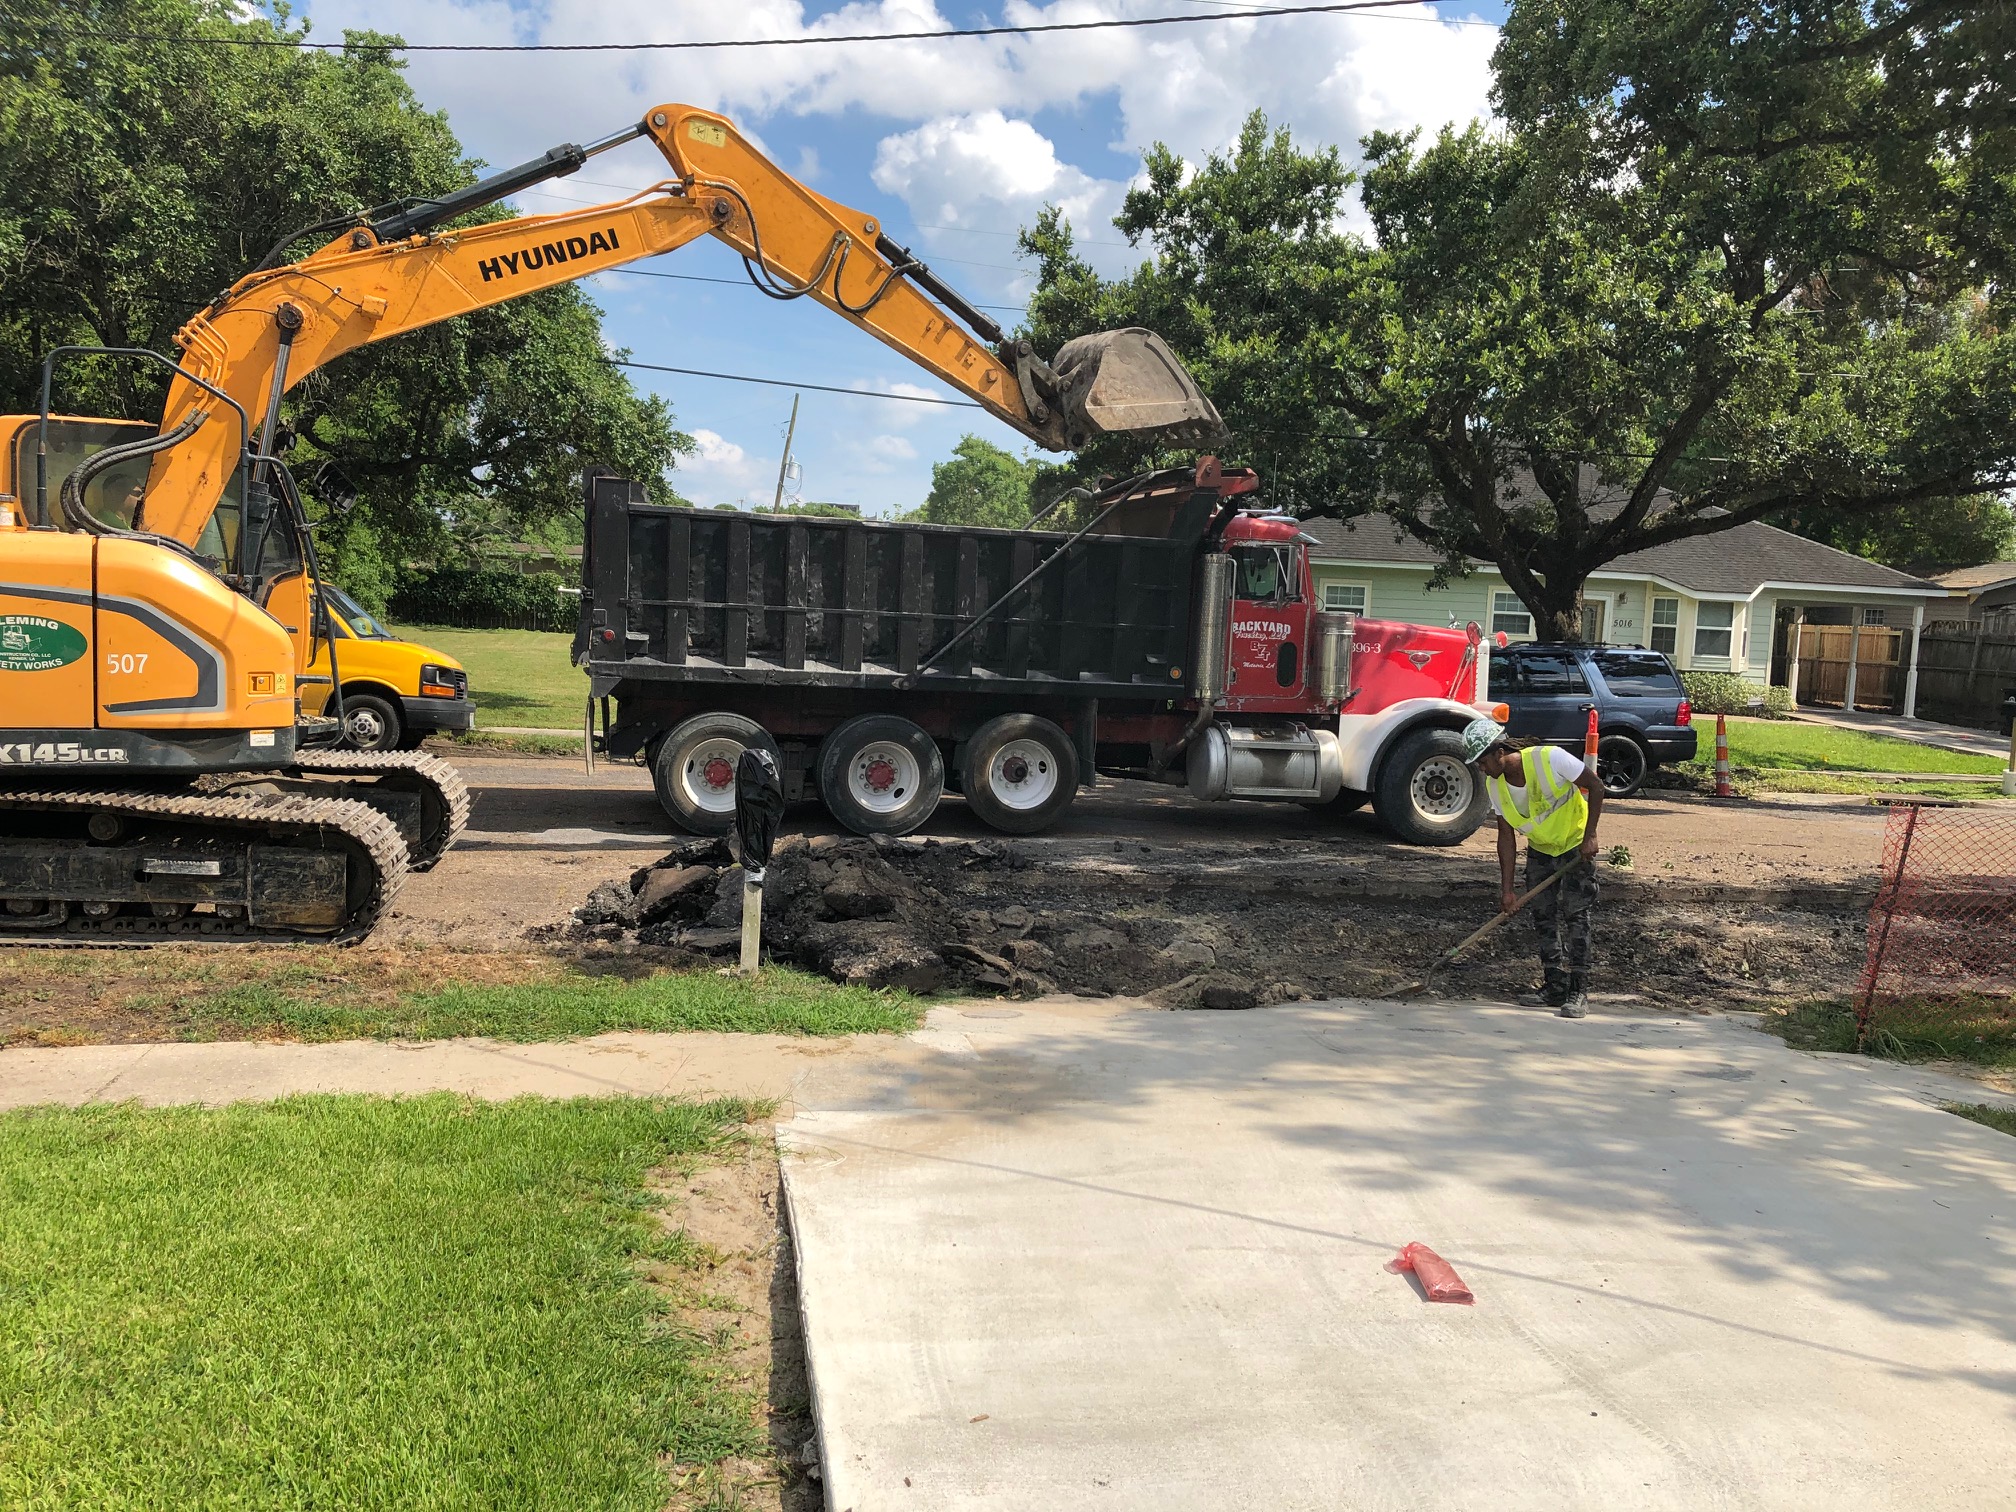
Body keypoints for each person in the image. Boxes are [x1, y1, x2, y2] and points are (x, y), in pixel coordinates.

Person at [1460, 718, 1604, 1018]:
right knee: (1543, 915)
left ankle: (1578, 990)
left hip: (1575, 846)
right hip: (1541, 850)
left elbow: (1595, 786)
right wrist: (1507, 889)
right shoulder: (1495, 785)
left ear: (1499, 752)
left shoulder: (1550, 758)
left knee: (1576, 916)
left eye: (1482, 761)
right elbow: (1506, 837)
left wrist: (1590, 836)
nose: (1481, 769)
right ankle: (1554, 984)